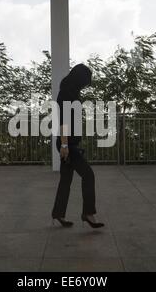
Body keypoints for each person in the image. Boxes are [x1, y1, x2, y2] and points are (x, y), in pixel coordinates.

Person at [51, 63, 105, 228]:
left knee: (65, 180)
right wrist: (65, 146)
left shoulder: (71, 92)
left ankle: (58, 214)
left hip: (70, 143)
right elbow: (63, 122)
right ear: (79, 79)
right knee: (88, 175)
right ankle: (88, 213)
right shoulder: (66, 93)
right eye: (85, 82)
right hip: (67, 144)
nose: (85, 85)